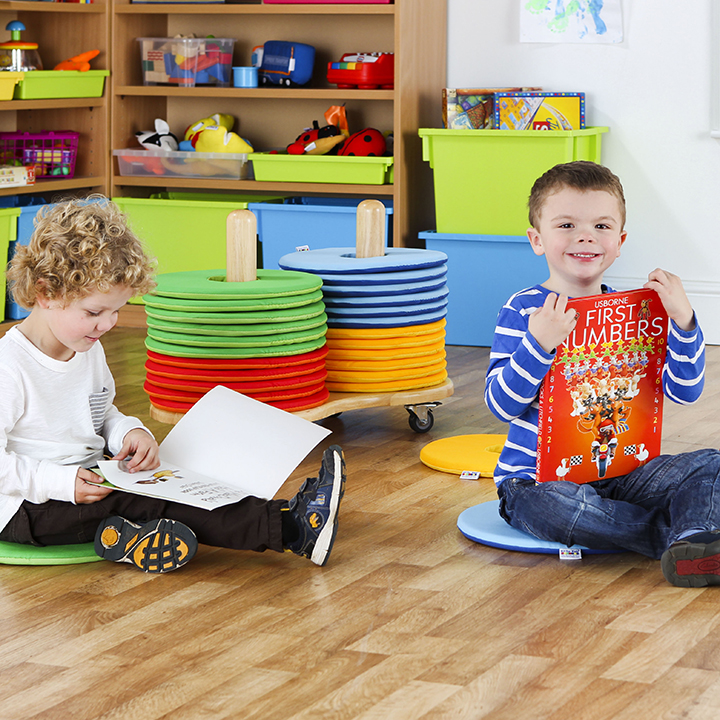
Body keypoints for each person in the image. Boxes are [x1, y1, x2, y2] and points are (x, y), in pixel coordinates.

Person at [0, 197, 346, 573]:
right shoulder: (10, 367)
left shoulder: (85, 348)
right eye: (94, 312)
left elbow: (98, 413)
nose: (107, 324)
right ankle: (293, 528)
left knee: (172, 479)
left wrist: (126, 432)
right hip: (24, 507)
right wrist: (60, 482)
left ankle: (129, 537)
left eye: (116, 311)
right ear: (45, 293)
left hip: (85, 481)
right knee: (148, 501)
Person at [484, 160, 720, 588]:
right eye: (567, 224)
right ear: (537, 240)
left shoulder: (637, 313)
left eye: (601, 226)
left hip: (625, 473)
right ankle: (683, 538)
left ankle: (692, 536)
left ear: (620, 241)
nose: (586, 236)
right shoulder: (523, 310)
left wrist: (684, 321)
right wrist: (539, 343)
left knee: (713, 464)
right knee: (550, 508)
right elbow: (501, 405)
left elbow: (685, 392)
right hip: (539, 481)